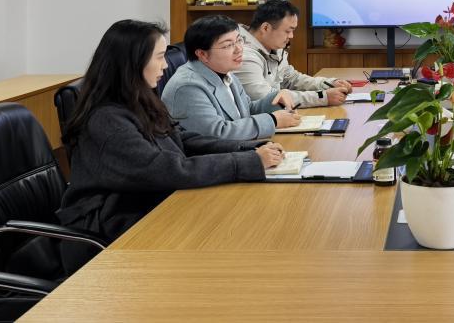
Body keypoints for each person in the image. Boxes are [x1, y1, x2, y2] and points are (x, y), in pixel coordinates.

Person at [56, 19, 284, 267]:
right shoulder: (107, 120)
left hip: (143, 207)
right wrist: (245, 163)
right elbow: (165, 169)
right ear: (133, 62)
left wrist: (248, 149)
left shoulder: (138, 98)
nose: (166, 65)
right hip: (110, 233)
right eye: (159, 57)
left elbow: (182, 139)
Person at [162, 14, 304, 140]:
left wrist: (276, 100)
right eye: (228, 45)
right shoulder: (188, 87)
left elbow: (246, 110)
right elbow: (217, 133)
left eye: (239, 40)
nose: (239, 49)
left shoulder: (224, 71)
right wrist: (273, 120)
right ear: (202, 54)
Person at [236, 0, 351, 107]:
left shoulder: (273, 47)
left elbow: (291, 79)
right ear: (266, 28)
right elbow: (266, 98)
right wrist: (322, 97)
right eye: (288, 31)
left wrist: (330, 83)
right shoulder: (243, 55)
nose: (291, 36)